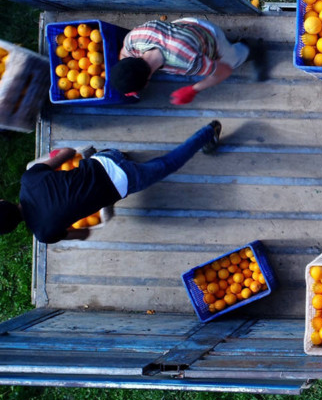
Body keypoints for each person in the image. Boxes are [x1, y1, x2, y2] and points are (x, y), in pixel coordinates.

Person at [0, 121, 222, 244]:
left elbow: (84, 233)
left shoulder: (44, 233)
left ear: (12, 229)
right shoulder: (29, 179)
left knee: (167, 164)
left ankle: (207, 133)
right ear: (3, 200)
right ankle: (123, 156)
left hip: (122, 183)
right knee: (114, 158)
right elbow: (67, 152)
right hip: (105, 159)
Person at [109, 18, 251, 105]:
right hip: (186, 25)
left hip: (211, 37)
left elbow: (224, 71)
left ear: (146, 83)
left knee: (234, 59)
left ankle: (249, 48)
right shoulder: (133, 39)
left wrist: (193, 89)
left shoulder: (189, 62)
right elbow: (124, 53)